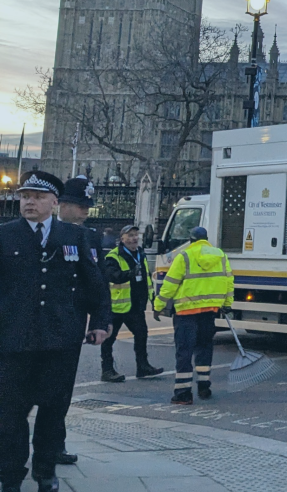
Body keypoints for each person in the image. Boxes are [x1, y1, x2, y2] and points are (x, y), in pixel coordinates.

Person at [0, 171, 110, 492]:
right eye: (24, 196)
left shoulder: (75, 237)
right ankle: (10, 476)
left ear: (54, 202)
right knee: (9, 414)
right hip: (12, 340)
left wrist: (101, 323)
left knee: (52, 410)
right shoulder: (5, 236)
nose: (29, 202)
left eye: (36, 197)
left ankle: (45, 471)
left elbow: (96, 286)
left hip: (60, 341)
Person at [48, 176, 106, 467]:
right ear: (63, 204)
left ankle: (55, 444)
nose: (85, 211)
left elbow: (98, 285)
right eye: (80, 205)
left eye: (87, 206)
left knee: (61, 390)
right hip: (39, 321)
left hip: (71, 322)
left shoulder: (91, 238)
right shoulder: (43, 233)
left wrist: (99, 321)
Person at [154, 226, 233, 404]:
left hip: (186, 312)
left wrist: (158, 306)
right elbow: (229, 281)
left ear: (191, 240)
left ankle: (183, 393)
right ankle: (204, 387)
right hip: (210, 311)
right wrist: (227, 304)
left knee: (184, 351)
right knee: (204, 348)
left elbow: (170, 284)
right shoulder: (220, 255)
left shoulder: (184, 256)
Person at [100, 225, 164, 383]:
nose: (134, 238)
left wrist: (152, 299)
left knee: (142, 335)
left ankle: (143, 367)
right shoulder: (113, 256)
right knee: (109, 339)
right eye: (130, 235)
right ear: (122, 239)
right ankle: (107, 370)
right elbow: (113, 276)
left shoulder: (140, 253)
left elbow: (147, 278)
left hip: (135, 304)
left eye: (136, 235)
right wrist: (130, 274)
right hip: (116, 306)